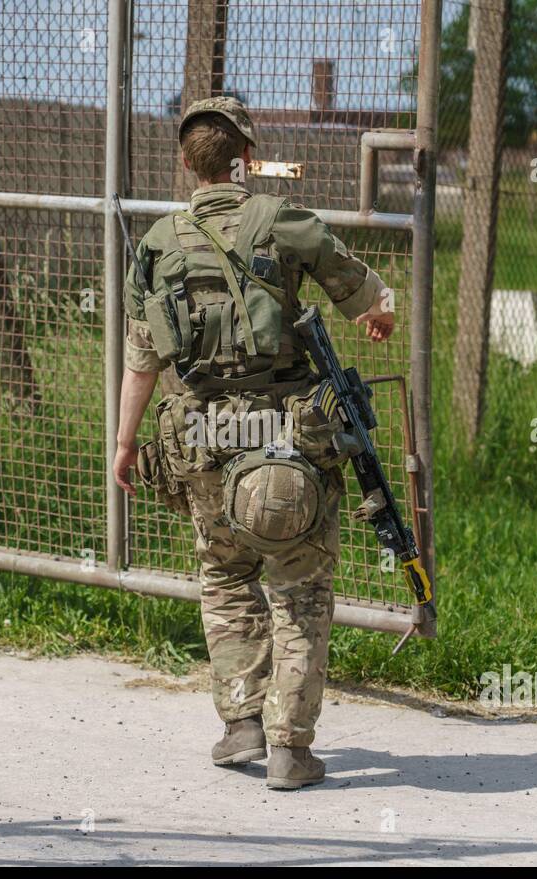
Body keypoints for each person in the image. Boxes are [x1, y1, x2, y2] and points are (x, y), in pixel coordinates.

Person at [113, 97, 395, 789]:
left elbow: (141, 359)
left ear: (185, 163)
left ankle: (240, 722)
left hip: (203, 440)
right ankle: (290, 747)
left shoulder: (157, 244)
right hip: (286, 438)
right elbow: (356, 286)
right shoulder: (282, 220)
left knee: (226, 574)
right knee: (298, 589)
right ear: (246, 156)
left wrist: (123, 442)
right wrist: (378, 310)